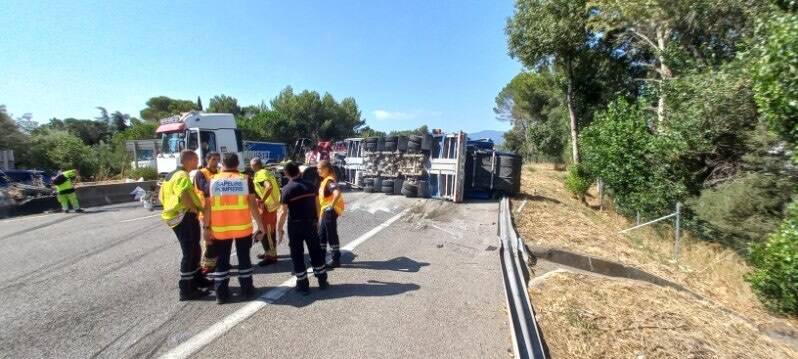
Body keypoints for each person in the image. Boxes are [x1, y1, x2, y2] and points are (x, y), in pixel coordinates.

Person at [203, 152, 265, 304]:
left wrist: (206, 228)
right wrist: (260, 225)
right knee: (244, 258)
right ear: (237, 164)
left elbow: (207, 207)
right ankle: (247, 290)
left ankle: (221, 294)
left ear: (222, 164)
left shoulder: (212, 180)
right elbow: (253, 205)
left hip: (220, 229)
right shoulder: (245, 179)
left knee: (221, 261)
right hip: (242, 228)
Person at [159, 150, 208, 301]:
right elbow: (184, 194)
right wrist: (192, 208)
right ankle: (186, 289)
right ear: (190, 160)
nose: (197, 162)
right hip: (184, 216)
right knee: (189, 251)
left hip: (177, 216)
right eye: (196, 159)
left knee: (195, 248)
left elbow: (161, 197)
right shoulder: (182, 175)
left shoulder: (171, 175)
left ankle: (198, 279)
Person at [277, 162, 329, 294]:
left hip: (295, 226)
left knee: (297, 254)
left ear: (286, 174)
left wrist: (279, 228)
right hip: (311, 223)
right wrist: (317, 220)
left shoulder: (286, 189)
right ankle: (322, 280)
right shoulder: (311, 186)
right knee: (315, 251)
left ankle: (303, 285)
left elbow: (283, 212)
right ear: (299, 172)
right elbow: (318, 205)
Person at [193, 152, 221, 276]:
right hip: (206, 211)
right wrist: (217, 181)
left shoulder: (219, 172)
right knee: (209, 238)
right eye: (214, 159)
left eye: (218, 160)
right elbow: (205, 188)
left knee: (219, 237)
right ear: (207, 160)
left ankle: (218, 261)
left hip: (218, 211)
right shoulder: (201, 173)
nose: (216, 162)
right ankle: (208, 265)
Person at [250, 157, 281, 267]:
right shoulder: (267, 172)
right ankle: (268, 252)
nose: (250, 167)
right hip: (272, 204)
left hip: (267, 206)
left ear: (255, 165)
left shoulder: (260, 174)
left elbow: (269, 187)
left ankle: (271, 256)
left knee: (267, 230)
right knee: (268, 229)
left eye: (251, 165)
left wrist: (262, 200)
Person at [317, 160, 345, 268]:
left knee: (331, 235)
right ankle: (320, 258)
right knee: (322, 235)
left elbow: (337, 193)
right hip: (326, 211)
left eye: (319, 168)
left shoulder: (329, 181)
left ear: (326, 169)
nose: (318, 170)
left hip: (330, 212)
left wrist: (331, 207)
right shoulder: (325, 180)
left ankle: (335, 259)